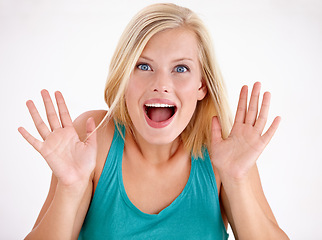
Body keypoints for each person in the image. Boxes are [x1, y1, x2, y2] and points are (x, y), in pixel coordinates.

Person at [18, 3, 289, 240]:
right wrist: (70, 188)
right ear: (124, 78)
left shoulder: (225, 149)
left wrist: (237, 180)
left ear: (201, 85)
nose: (161, 85)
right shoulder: (93, 136)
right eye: (144, 66)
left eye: (180, 68)